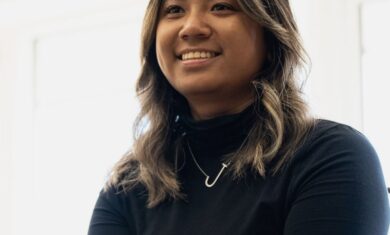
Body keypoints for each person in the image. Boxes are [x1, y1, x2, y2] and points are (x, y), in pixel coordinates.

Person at [88, 0, 389, 234]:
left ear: (271, 34)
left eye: (221, 7)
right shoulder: (128, 185)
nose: (191, 27)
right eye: (175, 9)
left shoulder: (331, 157)